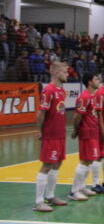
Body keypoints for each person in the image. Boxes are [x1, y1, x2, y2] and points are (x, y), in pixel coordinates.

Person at [33, 62, 70, 212]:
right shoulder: (48, 90)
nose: (67, 74)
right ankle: (38, 201)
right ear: (55, 72)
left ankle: (50, 196)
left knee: (58, 163)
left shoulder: (61, 90)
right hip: (51, 134)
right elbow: (41, 113)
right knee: (47, 165)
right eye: (65, 72)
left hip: (60, 133)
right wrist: (40, 130)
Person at [69, 73, 103, 201]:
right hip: (86, 132)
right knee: (85, 161)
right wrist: (76, 130)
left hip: (93, 131)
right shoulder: (84, 97)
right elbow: (77, 116)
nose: (98, 81)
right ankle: (73, 191)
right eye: (95, 79)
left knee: (89, 160)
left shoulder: (92, 96)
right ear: (89, 82)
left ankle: (82, 187)